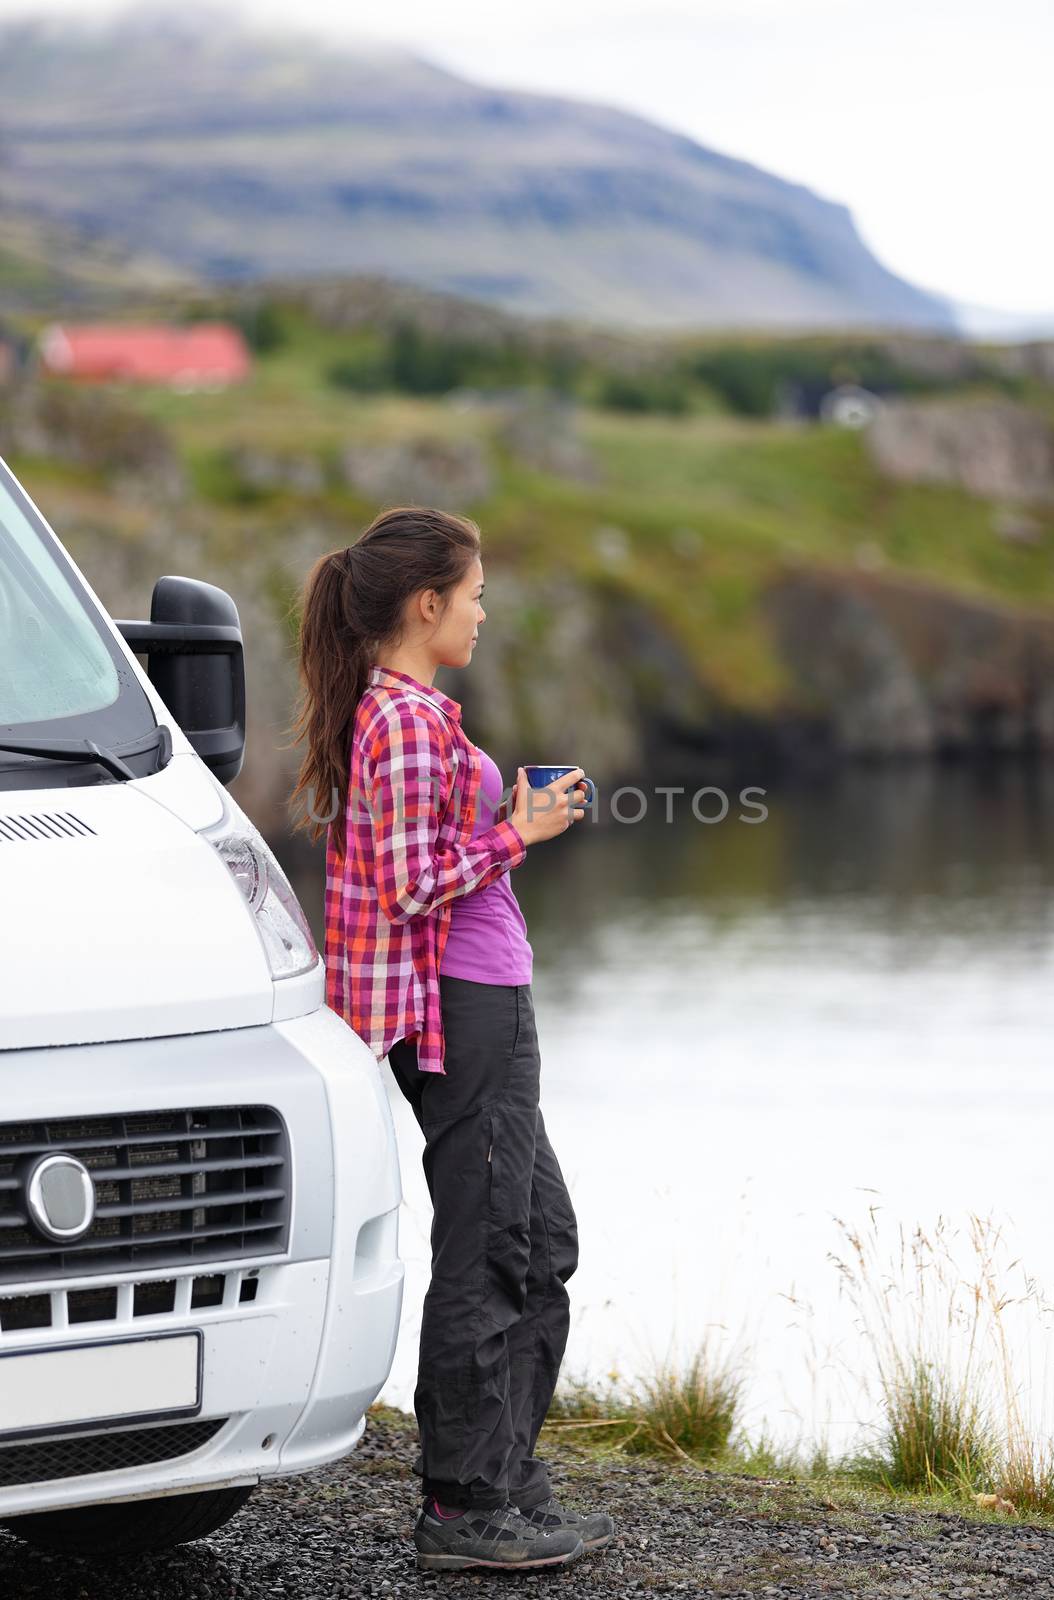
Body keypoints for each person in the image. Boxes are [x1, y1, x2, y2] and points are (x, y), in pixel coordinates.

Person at [288, 505, 615, 1571]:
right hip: (461, 1010)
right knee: (487, 1244)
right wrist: (517, 834)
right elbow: (410, 883)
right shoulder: (401, 721)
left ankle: (505, 1479)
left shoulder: (418, 713)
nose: (483, 610)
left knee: (541, 1239)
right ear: (425, 604)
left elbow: (426, 851)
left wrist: (505, 822)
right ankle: (461, 1505)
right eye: (473, 594)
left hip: (484, 999)